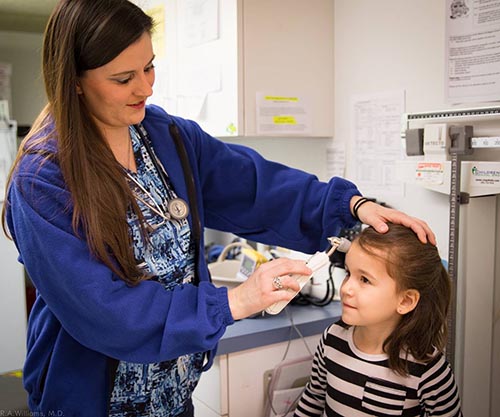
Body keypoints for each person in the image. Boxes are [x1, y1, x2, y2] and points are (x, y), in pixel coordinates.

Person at [1, 1, 435, 416]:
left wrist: (352, 206)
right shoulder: (43, 179)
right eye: (123, 78)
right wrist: (234, 302)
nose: (146, 88)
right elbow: (106, 312)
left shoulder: (164, 136)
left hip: (174, 392)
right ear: (73, 80)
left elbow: (254, 187)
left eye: (150, 67)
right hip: (92, 402)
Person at [294, 224, 462, 417]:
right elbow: (314, 397)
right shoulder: (332, 338)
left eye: (364, 280)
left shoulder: (427, 369)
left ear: (406, 301)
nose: (347, 288)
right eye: (349, 273)